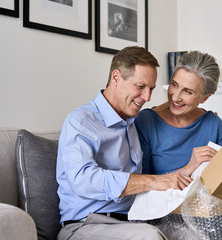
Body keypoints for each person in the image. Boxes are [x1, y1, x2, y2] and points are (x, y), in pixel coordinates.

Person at [56, 46, 193, 240]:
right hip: (84, 226)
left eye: (151, 89)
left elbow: (166, 111)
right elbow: (83, 179)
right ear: (116, 78)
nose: (147, 97)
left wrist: (202, 115)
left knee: (192, 234)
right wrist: (153, 181)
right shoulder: (81, 121)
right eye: (140, 87)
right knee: (149, 237)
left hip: (133, 221)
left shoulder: (131, 123)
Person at [135, 50, 222, 240]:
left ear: (205, 97)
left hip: (209, 213)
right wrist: (187, 169)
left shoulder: (212, 123)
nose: (176, 97)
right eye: (174, 85)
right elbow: (140, 184)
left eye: (188, 91)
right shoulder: (146, 122)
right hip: (166, 215)